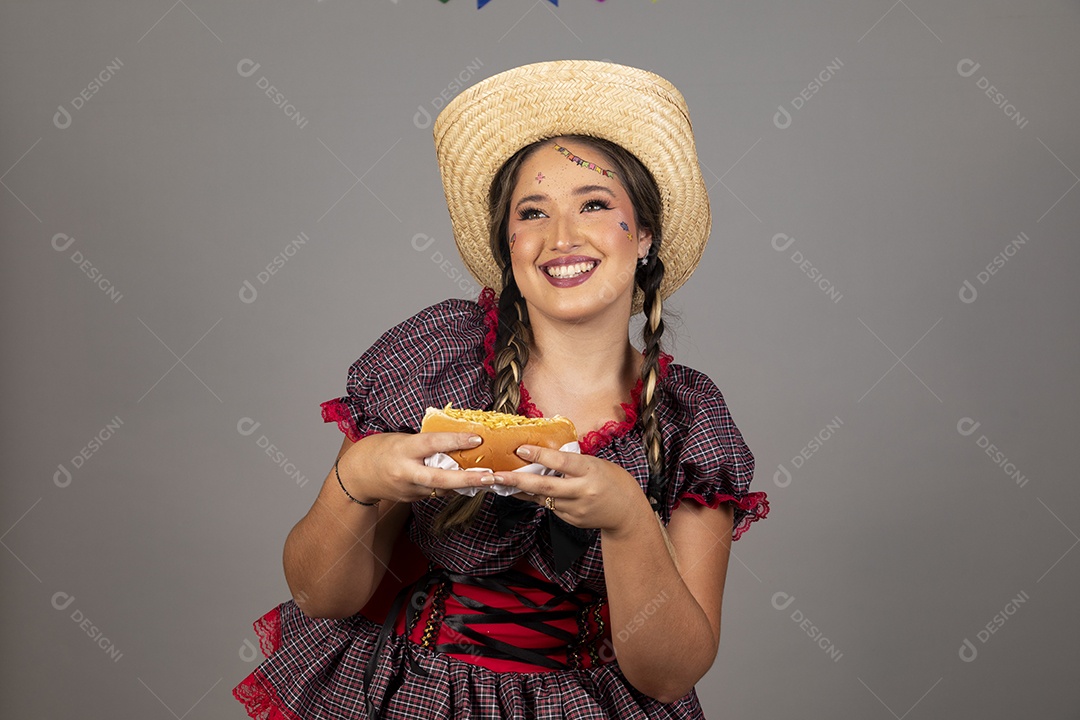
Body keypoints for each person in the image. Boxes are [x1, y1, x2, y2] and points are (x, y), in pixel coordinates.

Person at [232, 59, 769, 720]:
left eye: (594, 205)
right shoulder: (441, 358)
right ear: (508, 244)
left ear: (646, 234)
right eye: (533, 212)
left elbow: (669, 673)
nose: (561, 237)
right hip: (413, 697)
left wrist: (628, 520)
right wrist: (360, 474)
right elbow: (322, 595)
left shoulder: (690, 420)